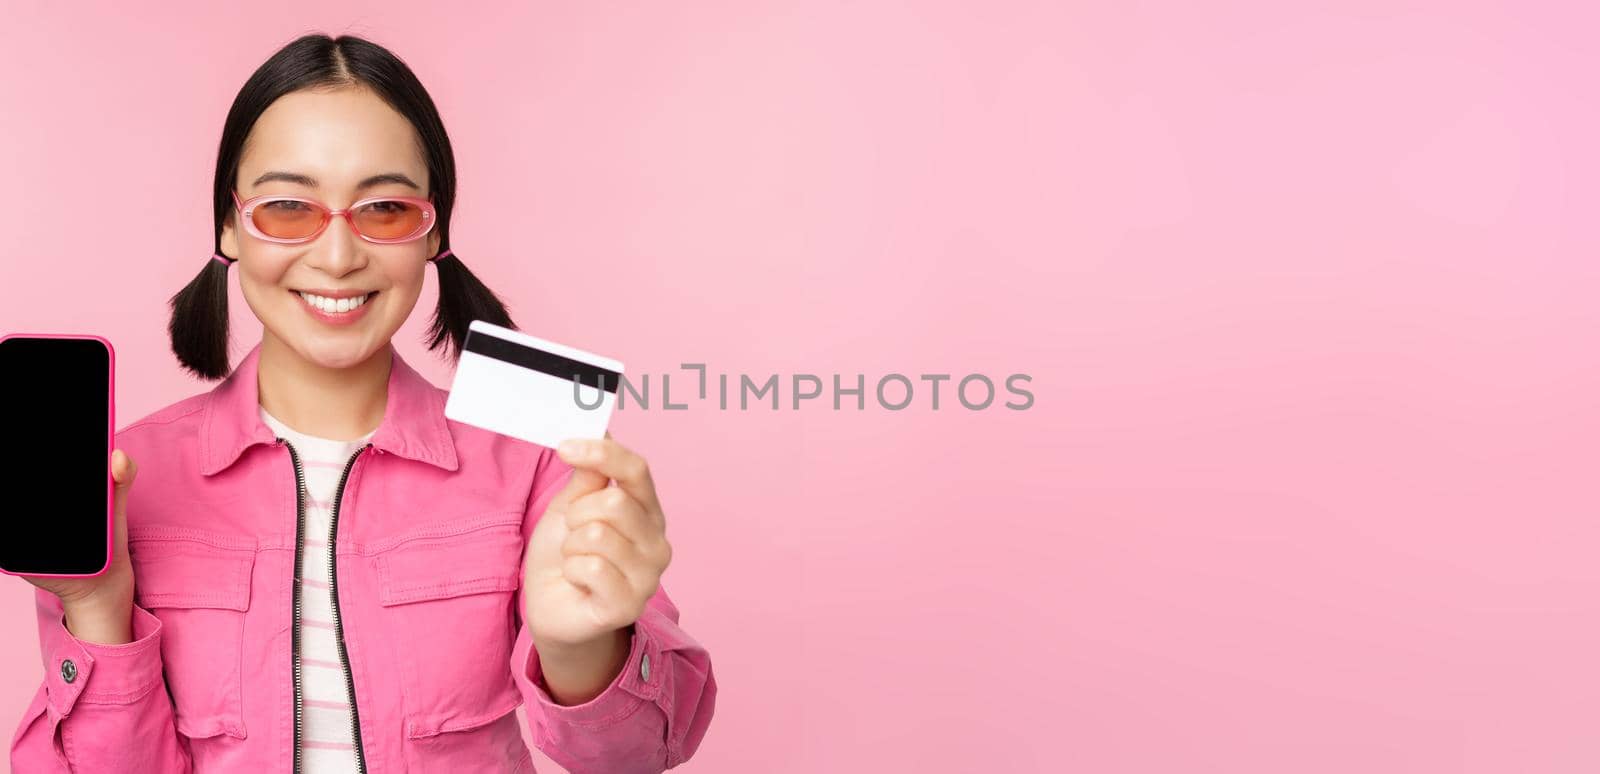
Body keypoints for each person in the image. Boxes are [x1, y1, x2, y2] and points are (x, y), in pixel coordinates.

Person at [8, 33, 716, 773]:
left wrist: (582, 648)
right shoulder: (126, 473)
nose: (339, 255)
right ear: (229, 225)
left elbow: (640, 754)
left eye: (383, 208)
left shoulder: (535, 458)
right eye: (287, 207)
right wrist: (96, 606)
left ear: (433, 227)